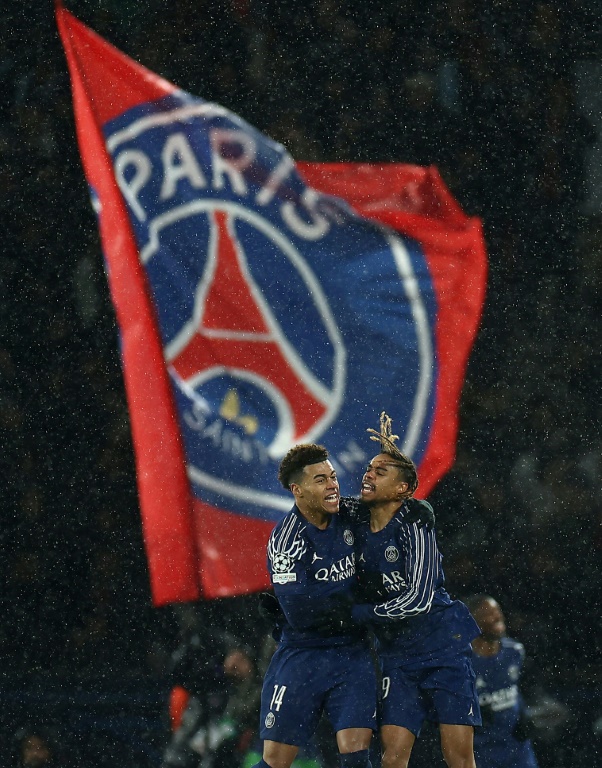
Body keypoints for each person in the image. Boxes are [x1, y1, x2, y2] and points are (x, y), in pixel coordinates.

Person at [347, 412, 482, 768]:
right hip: (397, 657)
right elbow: (319, 505)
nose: (368, 474)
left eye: (381, 471)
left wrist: (361, 613)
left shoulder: (415, 523)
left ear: (403, 490)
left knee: (458, 757)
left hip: (442, 649)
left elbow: (420, 599)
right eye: (369, 468)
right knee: (392, 756)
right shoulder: (354, 523)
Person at [251, 443, 378, 768]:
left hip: (352, 653)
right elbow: (300, 612)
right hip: (302, 656)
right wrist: (361, 602)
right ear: (298, 489)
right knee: (275, 762)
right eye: (321, 479)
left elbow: (392, 512)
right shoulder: (286, 539)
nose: (333, 484)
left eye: (333, 476)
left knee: (356, 755)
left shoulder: (351, 514)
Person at [466, 594, 539, 768]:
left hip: (518, 750)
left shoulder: (515, 651)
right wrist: (472, 715)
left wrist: (524, 716)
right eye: (488, 614)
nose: (498, 617)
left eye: (497, 611)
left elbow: (518, 690)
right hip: (481, 754)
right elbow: (439, 711)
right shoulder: (461, 664)